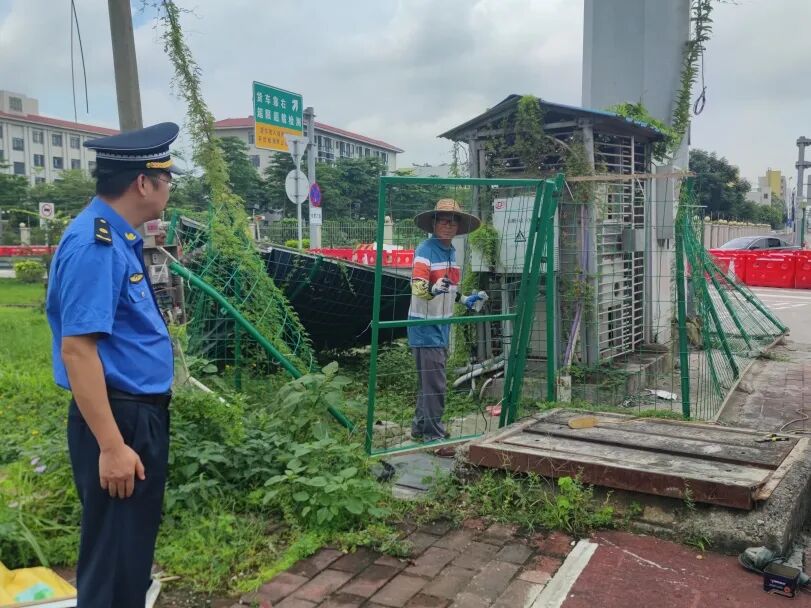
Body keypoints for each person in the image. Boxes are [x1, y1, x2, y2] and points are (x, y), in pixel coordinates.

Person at [45, 122, 182, 608]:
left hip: (133, 415)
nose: (168, 189)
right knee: (114, 562)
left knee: (129, 556)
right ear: (143, 183)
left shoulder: (116, 238)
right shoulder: (95, 245)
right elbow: (78, 350)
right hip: (118, 419)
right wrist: (112, 446)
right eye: (166, 179)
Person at [407, 199, 487, 453]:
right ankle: (434, 437)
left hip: (442, 325)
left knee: (428, 383)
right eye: (443, 220)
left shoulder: (451, 251)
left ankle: (421, 427)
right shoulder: (425, 250)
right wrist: (431, 289)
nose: (448, 225)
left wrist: (464, 299)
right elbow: (417, 285)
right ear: (433, 223)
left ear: (458, 226)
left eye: (453, 222)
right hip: (425, 326)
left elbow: (449, 287)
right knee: (436, 384)